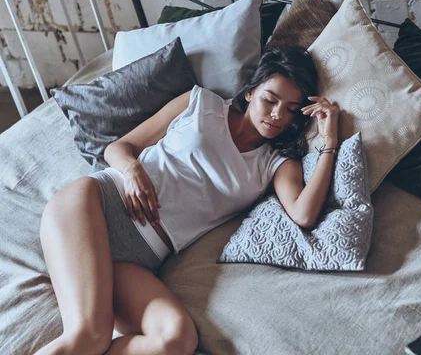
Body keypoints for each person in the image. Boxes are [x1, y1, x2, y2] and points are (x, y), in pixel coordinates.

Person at [35, 46, 340, 355]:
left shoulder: (275, 163)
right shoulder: (200, 103)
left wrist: (329, 143)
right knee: (90, 336)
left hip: (139, 258)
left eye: (290, 109)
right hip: (96, 204)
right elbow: (119, 147)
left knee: (176, 340)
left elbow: (304, 215)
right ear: (250, 92)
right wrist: (132, 169)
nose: (277, 115)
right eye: (270, 99)